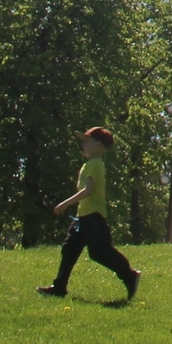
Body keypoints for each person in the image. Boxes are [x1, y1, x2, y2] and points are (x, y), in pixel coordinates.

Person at [38, 126, 139, 301]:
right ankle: (59, 287)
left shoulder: (94, 164)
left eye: (87, 141)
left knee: (100, 252)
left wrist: (65, 203)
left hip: (93, 217)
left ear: (99, 145)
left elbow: (88, 190)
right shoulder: (90, 164)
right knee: (70, 249)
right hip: (83, 216)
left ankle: (130, 275)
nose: (83, 144)